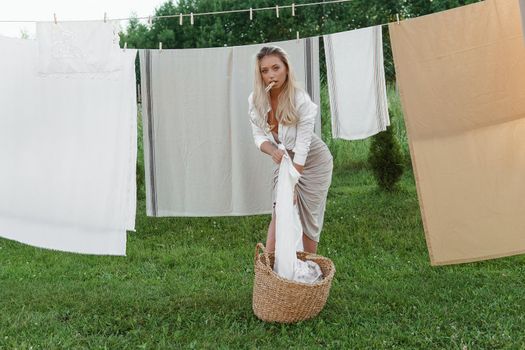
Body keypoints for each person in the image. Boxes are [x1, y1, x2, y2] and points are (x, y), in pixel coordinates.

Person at [248, 46, 333, 254]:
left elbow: (303, 148)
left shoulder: (300, 100)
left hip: (313, 162)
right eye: (264, 70)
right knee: (280, 210)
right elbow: (259, 136)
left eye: (276, 68)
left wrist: (293, 185)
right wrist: (272, 151)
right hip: (286, 160)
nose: (270, 75)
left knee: (309, 220)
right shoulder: (256, 100)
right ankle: (268, 272)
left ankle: (307, 271)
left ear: (286, 68)